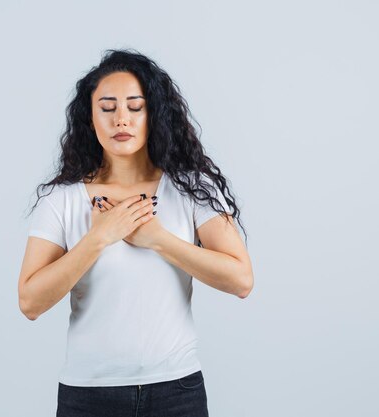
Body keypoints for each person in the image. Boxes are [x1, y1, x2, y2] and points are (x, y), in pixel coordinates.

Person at [18, 48, 254, 417]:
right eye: (107, 108)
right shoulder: (61, 200)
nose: (121, 120)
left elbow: (240, 279)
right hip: (88, 395)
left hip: (177, 392)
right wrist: (98, 237)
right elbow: (30, 302)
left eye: (135, 107)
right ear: (90, 119)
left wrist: (157, 238)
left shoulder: (192, 188)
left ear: (153, 115)